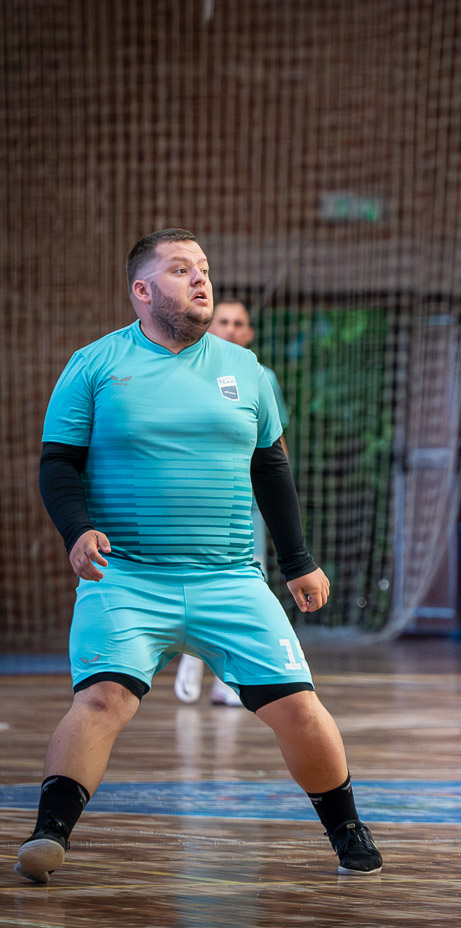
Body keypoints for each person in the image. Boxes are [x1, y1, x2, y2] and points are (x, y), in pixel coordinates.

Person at [18, 229, 381, 883]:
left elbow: (271, 468)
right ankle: (49, 834)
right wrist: (77, 530)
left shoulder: (248, 371)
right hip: (126, 576)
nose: (200, 279)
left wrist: (298, 561)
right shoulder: (94, 365)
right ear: (142, 290)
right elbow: (58, 465)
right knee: (103, 700)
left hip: (230, 579)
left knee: (299, 706)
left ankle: (348, 832)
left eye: (204, 268)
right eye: (181, 269)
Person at [174, 298, 289, 708]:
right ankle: (191, 657)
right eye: (223, 320)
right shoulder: (185, 371)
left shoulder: (261, 376)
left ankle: (229, 679)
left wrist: (278, 498)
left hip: (244, 506)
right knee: (193, 579)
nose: (230, 328)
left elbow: (274, 445)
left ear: (249, 333)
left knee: (245, 583)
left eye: (239, 323)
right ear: (209, 326)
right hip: (194, 505)